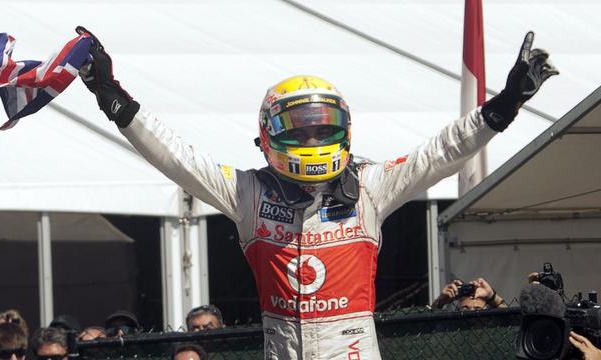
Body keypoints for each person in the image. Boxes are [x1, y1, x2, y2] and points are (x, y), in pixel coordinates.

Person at [76, 25, 557, 359]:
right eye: (300, 132)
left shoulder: (371, 185)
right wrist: (113, 98)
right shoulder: (247, 192)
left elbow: (441, 152)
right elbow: (178, 158)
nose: (311, 141)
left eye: (321, 129)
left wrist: (506, 103)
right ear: (268, 135)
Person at [431, 278, 507, 311]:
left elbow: (510, 318)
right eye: (465, 309)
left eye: (478, 309)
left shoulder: (493, 328)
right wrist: (439, 302)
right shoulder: (452, 329)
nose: (471, 312)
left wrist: (492, 297)